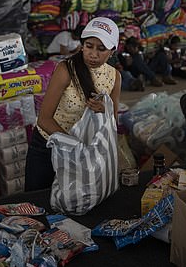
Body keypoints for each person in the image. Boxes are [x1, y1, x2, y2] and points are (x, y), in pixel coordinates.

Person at [25, 17, 122, 191]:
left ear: (112, 51)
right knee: (36, 200)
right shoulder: (66, 69)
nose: (93, 54)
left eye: (101, 49)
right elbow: (44, 120)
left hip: (85, 153)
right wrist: (75, 148)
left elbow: (113, 123)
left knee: (74, 203)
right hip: (49, 146)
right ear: (82, 45)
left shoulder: (114, 77)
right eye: (88, 46)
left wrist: (104, 110)